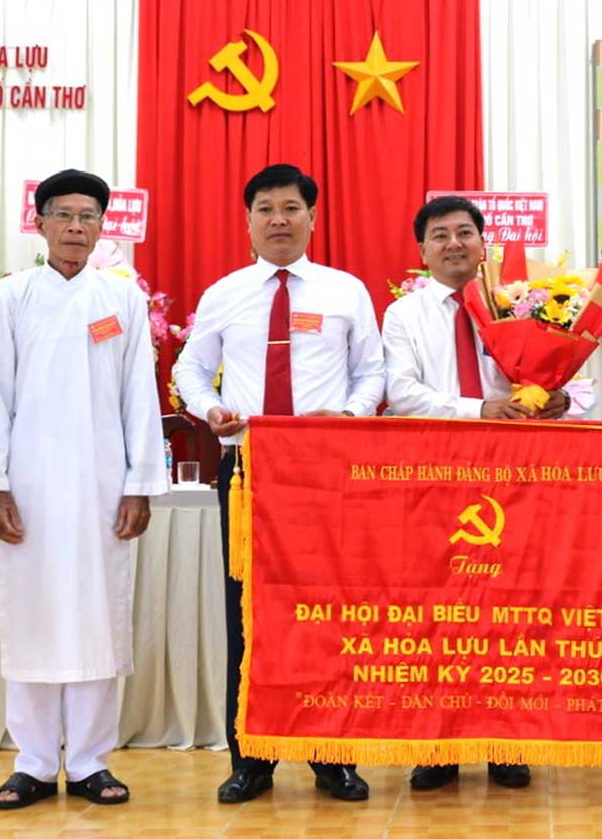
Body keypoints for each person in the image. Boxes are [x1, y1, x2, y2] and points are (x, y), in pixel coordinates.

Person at [173, 163, 385, 803]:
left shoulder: (345, 290)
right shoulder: (225, 293)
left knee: (330, 612)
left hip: (326, 469)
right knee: (248, 613)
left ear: (312, 218)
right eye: (265, 208)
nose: (278, 220)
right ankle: (252, 759)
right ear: (248, 221)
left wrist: (349, 416)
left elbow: (371, 372)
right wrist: (210, 409)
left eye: (291, 208)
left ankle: (332, 757)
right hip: (248, 471)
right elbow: (189, 368)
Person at [0, 168, 167, 810]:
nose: (76, 227)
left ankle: (88, 761)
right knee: (32, 615)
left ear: (103, 227)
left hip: (103, 484)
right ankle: (30, 762)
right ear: (41, 223)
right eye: (64, 215)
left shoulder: (122, 298)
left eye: (88, 217)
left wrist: (139, 485)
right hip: (28, 484)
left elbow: (139, 395)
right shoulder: (13, 296)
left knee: (97, 616)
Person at [382, 194, 567, 791]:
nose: (454, 244)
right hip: (433, 477)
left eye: (465, 232)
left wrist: (561, 398)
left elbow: (559, 378)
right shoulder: (404, 316)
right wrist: (478, 408)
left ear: (483, 243)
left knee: (510, 613)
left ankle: (505, 742)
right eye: (440, 235)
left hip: (513, 476)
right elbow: (402, 393)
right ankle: (437, 746)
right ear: (422, 250)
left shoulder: (520, 303)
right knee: (436, 614)